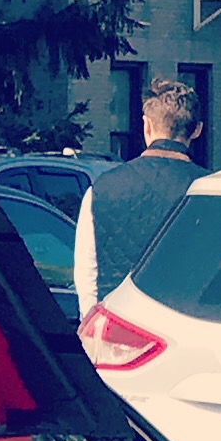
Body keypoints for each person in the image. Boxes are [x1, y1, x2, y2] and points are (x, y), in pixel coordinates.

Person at [75, 78, 202, 316]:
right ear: (197, 130)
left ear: (147, 125)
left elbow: (87, 277)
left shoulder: (102, 188)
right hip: (186, 327)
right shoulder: (210, 191)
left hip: (120, 326)